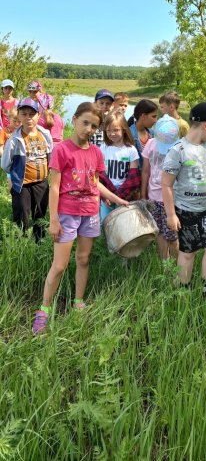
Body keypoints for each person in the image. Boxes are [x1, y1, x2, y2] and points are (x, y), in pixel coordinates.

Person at [32, 102, 129, 335]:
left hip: (90, 213)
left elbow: (94, 184)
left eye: (94, 126)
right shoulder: (62, 150)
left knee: (83, 259)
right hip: (67, 214)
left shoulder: (96, 152)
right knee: (59, 265)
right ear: (74, 119)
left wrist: (116, 199)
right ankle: (44, 310)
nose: (89, 129)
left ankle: (78, 302)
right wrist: (53, 220)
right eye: (85, 122)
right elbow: (53, 188)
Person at [162, 102, 206, 294]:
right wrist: (170, 215)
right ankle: (183, 289)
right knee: (187, 252)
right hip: (186, 210)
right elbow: (166, 184)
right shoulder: (178, 151)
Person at [1, 98, 53, 241]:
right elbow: (5, 164)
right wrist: (11, 178)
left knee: (40, 215)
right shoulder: (14, 139)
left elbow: (51, 156)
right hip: (21, 185)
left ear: (39, 115)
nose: (28, 118)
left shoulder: (45, 135)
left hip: (41, 183)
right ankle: (20, 244)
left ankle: (39, 242)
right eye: (24, 114)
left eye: (32, 114)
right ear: (18, 115)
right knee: (21, 215)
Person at [141, 116, 179, 260]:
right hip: (153, 197)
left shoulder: (179, 146)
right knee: (160, 233)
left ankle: (178, 268)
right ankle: (165, 264)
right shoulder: (150, 143)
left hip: (172, 199)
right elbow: (145, 171)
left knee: (172, 235)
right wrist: (143, 194)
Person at [99, 109, 140, 220]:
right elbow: (100, 175)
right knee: (105, 221)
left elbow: (133, 177)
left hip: (126, 192)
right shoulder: (103, 147)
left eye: (116, 130)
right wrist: (105, 196)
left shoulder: (131, 150)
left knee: (123, 222)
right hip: (107, 190)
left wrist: (119, 196)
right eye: (108, 130)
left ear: (124, 129)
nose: (112, 134)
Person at [128, 99, 158, 169]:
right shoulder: (128, 134)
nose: (156, 120)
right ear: (143, 116)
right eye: (153, 116)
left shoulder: (152, 133)